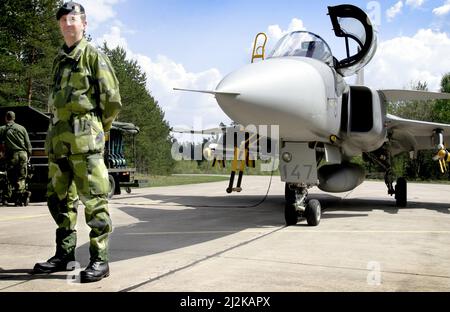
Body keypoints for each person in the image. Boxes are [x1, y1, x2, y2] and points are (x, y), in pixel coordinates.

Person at [32, 1, 122, 283]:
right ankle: (64, 255)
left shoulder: (94, 56)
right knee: (59, 201)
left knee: (94, 200)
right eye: (63, 20)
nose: (67, 24)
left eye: (73, 19)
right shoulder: (60, 60)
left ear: (84, 24)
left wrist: (96, 129)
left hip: (85, 143)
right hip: (58, 142)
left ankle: (100, 260)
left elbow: (112, 101)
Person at [0, 111, 32, 206]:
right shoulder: (22, 128)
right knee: (22, 176)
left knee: (10, 176)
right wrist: (29, 155)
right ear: (14, 118)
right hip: (23, 154)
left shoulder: (2, 129)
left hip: (12, 155)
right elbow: (27, 143)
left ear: (6, 117)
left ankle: (7, 197)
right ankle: (20, 197)